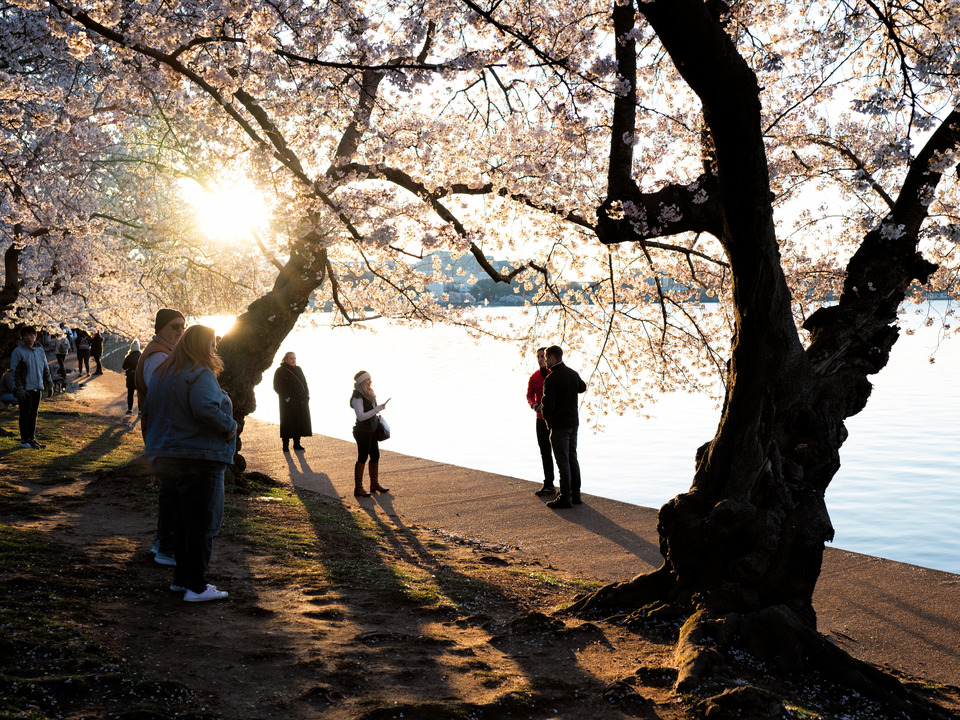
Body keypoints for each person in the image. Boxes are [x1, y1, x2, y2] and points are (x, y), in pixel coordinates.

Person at [143, 325, 236, 603]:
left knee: (181, 522)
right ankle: (196, 585)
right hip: (198, 457)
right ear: (200, 346)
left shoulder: (162, 374)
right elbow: (205, 407)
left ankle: (181, 580)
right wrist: (229, 425)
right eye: (212, 344)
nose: (215, 349)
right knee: (202, 522)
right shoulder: (200, 372)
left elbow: (148, 412)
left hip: (167, 456)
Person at [135, 308, 186, 567]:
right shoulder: (157, 356)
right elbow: (162, 395)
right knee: (172, 490)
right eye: (175, 326)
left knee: (171, 488)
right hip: (163, 430)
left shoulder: (163, 352)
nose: (180, 331)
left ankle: (161, 543)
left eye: (183, 326)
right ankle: (166, 546)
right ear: (161, 328)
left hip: (163, 429)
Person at [540, 345, 587, 509]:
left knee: (562, 461)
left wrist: (548, 422)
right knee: (572, 457)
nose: (545, 362)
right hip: (573, 423)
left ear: (552, 358)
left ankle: (565, 496)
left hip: (559, 426)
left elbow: (548, 406)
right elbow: (583, 387)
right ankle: (576, 494)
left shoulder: (551, 379)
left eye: (546, 358)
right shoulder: (572, 374)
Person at [10, 326, 53, 449]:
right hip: (25, 388)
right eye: (26, 335)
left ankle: (32, 439)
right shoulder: (18, 352)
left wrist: (49, 384)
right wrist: (19, 388)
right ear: (22, 337)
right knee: (25, 414)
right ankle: (24, 440)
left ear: (35, 336)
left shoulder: (40, 351)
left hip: (37, 387)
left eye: (31, 335)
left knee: (33, 414)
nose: (29, 337)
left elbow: (45, 368)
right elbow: (14, 372)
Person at [350, 370, 390, 496]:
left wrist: (377, 409)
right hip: (362, 431)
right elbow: (361, 416)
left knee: (375, 456)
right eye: (368, 379)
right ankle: (358, 488)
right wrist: (377, 409)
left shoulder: (369, 393)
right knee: (362, 457)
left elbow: (371, 412)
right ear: (362, 382)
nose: (370, 381)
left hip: (371, 429)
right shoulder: (357, 397)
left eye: (370, 379)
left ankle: (374, 484)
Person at [526, 346, 556, 496]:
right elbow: (529, 395)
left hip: (555, 419)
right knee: (545, 452)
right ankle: (549, 484)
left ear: (550, 358)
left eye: (542, 356)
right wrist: (533, 405)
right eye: (538, 357)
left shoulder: (555, 375)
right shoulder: (534, 377)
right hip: (540, 420)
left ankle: (565, 487)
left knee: (559, 452)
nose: (540, 360)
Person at [273, 351, 312, 452]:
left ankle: (297, 444)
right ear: (285, 359)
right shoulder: (280, 371)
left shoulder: (298, 369)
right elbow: (277, 386)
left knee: (298, 421)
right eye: (291, 358)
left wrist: (307, 394)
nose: (293, 360)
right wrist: (286, 397)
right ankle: (285, 445)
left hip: (300, 400)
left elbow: (304, 383)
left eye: (294, 358)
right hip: (287, 402)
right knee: (287, 422)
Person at [121, 339, 142, 415]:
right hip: (139, 376)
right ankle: (140, 410)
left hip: (130, 376)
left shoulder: (129, 356)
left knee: (130, 393)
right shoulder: (141, 356)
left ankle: (130, 409)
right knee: (139, 393)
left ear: (131, 348)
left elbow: (124, 367)